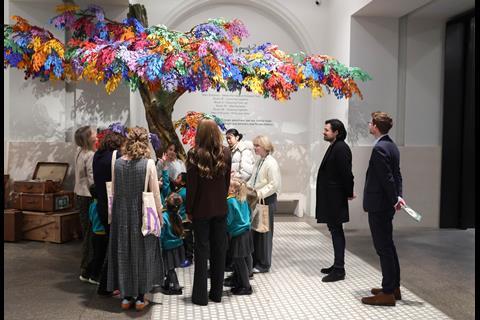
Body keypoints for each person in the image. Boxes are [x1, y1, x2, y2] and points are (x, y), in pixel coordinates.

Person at [106, 127, 164, 311]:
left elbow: (114, 191)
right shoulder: (148, 164)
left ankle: (126, 297)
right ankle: (140, 298)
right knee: (143, 253)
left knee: (123, 251)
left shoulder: (117, 162)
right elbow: (155, 194)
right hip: (142, 214)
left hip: (121, 213)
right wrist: (160, 217)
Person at [361, 112, 405, 307]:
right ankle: (394, 286)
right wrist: (398, 197)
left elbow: (387, 178)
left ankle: (387, 292)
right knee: (389, 245)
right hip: (386, 204)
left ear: (376, 127)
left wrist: (395, 197)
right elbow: (397, 175)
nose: (369, 125)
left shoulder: (380, 148)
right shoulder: (391, 146)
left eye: (371, 123)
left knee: (383, 248)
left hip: (379, 205)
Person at [186, 119, 232, 306]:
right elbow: (227, 183)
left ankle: (200, 296)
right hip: (220, 208)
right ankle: (216, 294)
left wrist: (189, 209)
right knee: (219, 250)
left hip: (201, 210)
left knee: (202, 251)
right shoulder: (226, 153)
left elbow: (192, 187)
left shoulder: (193, 154)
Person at [315, 119, 355, 282]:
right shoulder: (334, 147)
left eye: (327, 130)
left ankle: (339, 269)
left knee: (337, 231)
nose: (324, 132)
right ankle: (337, 264)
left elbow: (346, 174)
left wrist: (349, 192)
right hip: (331, 198)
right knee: (334, 230)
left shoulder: (341, 149)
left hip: (335, 198)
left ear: (336, 132)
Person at [92, 129, 125, 296]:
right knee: (114, 246)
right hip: (113, 205)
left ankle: (108, 283)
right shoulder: (115, 157)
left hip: (102, 205)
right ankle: (106, 284)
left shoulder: (97, 156)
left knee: (109, 243)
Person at [247, 135, 281, 274]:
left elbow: (274, 184)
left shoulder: (271, 163)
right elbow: (253, 179)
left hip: (266, 200)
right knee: (256, 232)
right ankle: (257, 261)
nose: (255, 148)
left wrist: (258, 194)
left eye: (257, 146)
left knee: (265, 234)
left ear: (265, 146)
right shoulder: (260, 161)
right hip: (257, 200)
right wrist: (246, 188)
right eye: (254, 145)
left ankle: (264, 264)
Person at [74, 125, 97, 282]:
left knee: (87, 232)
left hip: (79, 194)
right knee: (90, 233)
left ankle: (86, 268)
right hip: (88, 196)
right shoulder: (89, 155)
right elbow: (92, 180)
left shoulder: (78, 152)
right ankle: (88, 270)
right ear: (88, 138)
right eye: (93, 133)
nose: (96, 134)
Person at [223, 178, 254, 295]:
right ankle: (240, 282)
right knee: (244, 259)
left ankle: (246, 286)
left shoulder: (230, 201)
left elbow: (229, 220)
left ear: (233, 189)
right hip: (246, 231)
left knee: (239, 260)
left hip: (238, 234)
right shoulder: (242, 198)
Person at [160, 193, 185, 295]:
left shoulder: (164, 217)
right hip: (178, 246)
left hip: (168, 247)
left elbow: (162, 234)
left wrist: (159, 245)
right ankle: (166, 283)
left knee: (170, 269)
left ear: (166, 204)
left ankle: (176, 287)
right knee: (169, 267)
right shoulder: (178, 216)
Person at [83, 185, 107, 285]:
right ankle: (94, 276)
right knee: (99, 256)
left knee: (96, 255)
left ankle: (86, 273)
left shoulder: (92, 205)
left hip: (94, 233)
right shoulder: (100, 206)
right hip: (101, 233)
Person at [174, 173, 193, 268]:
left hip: (185, 220)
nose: (175, 178)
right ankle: (183, 257)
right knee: (182, 239)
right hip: (180, 219)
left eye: (178, 177)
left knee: (187, 240)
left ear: (183, 182)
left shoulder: (185, 192)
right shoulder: (180, 190)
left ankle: (189, 258)